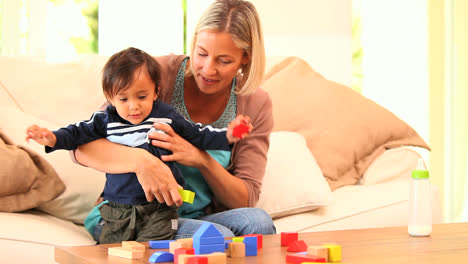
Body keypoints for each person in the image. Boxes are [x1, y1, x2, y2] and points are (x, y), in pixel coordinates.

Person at [75, 0, 276, 240]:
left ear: (246, 57)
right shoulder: (154, 75)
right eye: (201, 53)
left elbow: (245, 198)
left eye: (224, 61)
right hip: (131, 216)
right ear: (193, 43)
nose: (207, 70)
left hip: (193, 216)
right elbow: (82, 145)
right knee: (215, 237)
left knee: (259, 222)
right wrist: (142, 162)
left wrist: (201, 159)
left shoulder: (255, 103)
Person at [25, 47, 251, 243]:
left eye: (141, 96)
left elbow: (199, 134)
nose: (134, 107)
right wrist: (52, 138)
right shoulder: (106, 120)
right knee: (114, 249)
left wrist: (228, 135)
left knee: (153, 246)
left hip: (161, 208)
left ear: (156, 92)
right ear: (110, 98)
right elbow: (76, 134)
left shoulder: (166, 116)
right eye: (124, 99)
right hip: (119, 205)